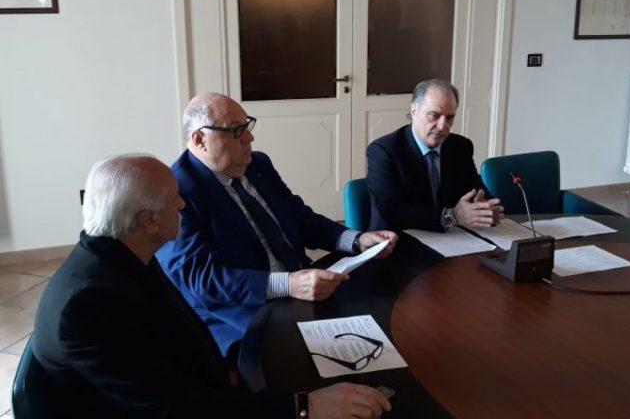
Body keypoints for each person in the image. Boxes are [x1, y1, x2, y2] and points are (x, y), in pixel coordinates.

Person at [32, 155, 391, 418]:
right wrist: (304, 407)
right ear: (149, 220)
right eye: (174, 198)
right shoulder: (88, 306)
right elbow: (179, 410)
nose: (182, 203)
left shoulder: (124, 253)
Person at [157, 93, 398, 360]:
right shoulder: (177, 191)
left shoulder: (257, 164)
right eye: (236, 130)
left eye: (247, 126)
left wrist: (355, 239)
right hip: (242, 311)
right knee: (321, 361)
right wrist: (289, 284)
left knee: (383, 322)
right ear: (199, 139)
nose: (249, 138)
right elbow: (201, 279)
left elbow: (299, 216)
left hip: (300, 288)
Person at [366, 79, 504, 232]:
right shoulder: (383, 151)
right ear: (414, 111)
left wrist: (487, 208)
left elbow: (475, 189)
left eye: (449, 117)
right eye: (434, 115)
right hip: (398, 238)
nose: (443, 126)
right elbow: (393, 211)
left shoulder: (460, 146)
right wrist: (452, 216)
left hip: (452, 236)